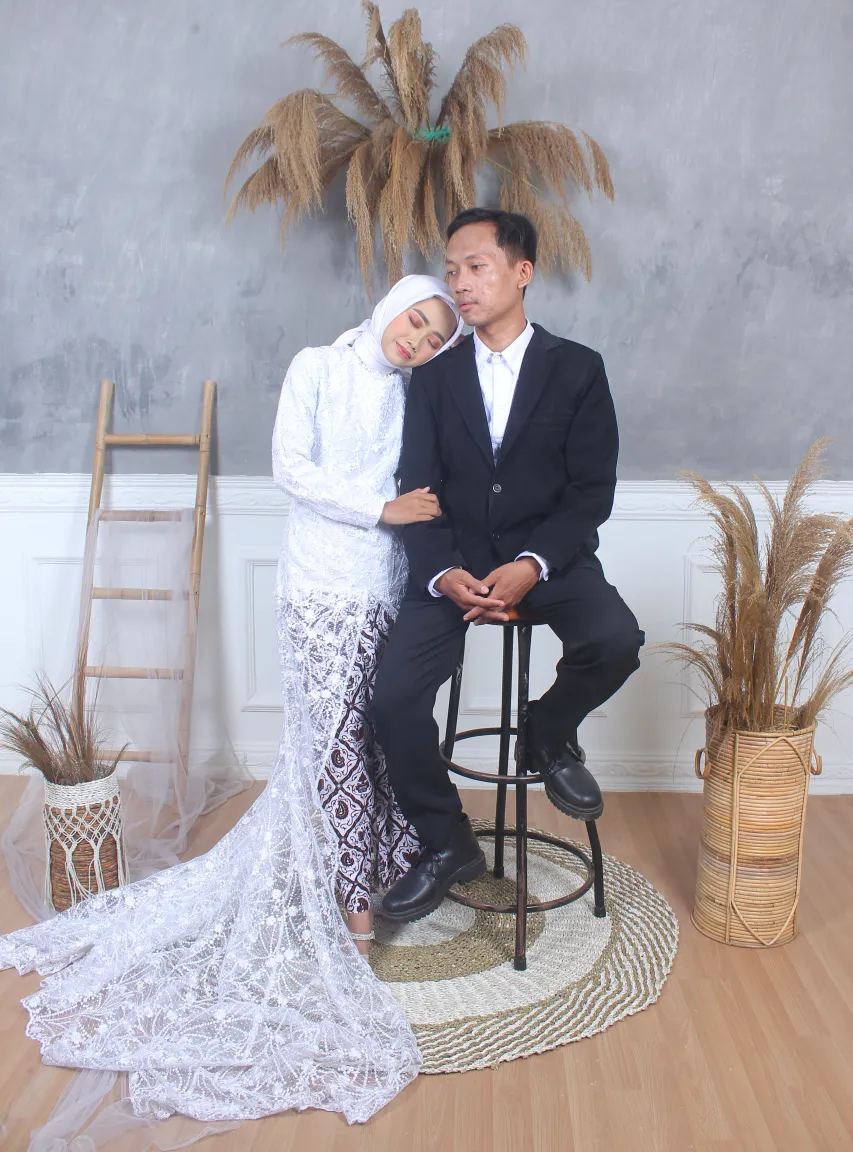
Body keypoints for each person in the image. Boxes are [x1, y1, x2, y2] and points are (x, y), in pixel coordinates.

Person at [0, 275, 463, 1136]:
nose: (418, 339)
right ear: (391, 304)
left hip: (388, 585)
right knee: (330, 744)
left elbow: (430, 481)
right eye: (415, 319)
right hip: (319, 584)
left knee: (375, 739)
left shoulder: (417, 395)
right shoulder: (318, 366)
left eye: (436, 336)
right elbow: (292, 469)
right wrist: (381, 508)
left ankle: (375, 867)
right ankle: (352, 910)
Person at [372, 209, 645, 922]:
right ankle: (446, 841)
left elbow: (591, 492)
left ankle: (546, 732)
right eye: (451, 270)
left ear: (522, 272)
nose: (459, 283)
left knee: (616, 640)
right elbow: (416, 486)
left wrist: (533, 562)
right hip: (454, 565)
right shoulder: (434, 376)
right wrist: (441, 572)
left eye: (476, 267)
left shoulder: (577, 368)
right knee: (392, 698)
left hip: (549, 559)